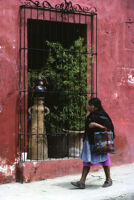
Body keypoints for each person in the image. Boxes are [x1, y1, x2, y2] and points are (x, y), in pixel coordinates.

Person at [71, 97, 115, 189]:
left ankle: (109, 179)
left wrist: (96, 125)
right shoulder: (91, 115)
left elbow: (109, 128)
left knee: (104, 159)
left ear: (96, 107)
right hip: (90, 141)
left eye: (91, 105)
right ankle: (82, 181)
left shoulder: (102, 115)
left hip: (100, 142)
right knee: (87, 160)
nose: (89, 107)